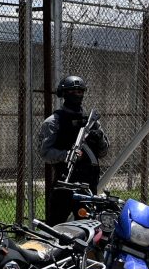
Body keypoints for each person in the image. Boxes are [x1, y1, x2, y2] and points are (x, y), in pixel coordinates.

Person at [40, 75, 107, 224]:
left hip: (87, 187)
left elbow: (103, 152)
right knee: (55, 228)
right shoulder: (53, 122)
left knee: (88, 227)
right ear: (64, 94)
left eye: (80, 92)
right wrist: (66, 155)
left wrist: (99, 138)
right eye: (72, 92)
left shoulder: (92, 121)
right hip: (64, 184)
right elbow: (45, 153)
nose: (77, 95)